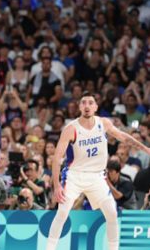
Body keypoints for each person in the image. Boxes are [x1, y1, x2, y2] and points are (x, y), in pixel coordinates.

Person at [46, 92, 150, 250]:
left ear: (95, 107)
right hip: (74, 176)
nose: (87, 105)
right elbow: (57, 158)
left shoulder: (103, 123)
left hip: (97, 177)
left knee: (112, 214)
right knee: (62, 213)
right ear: (80, 107)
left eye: (90, 103)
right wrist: (57, 185)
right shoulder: (71, 129)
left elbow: (124, 137)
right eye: (83, 102)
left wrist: (145, 148)